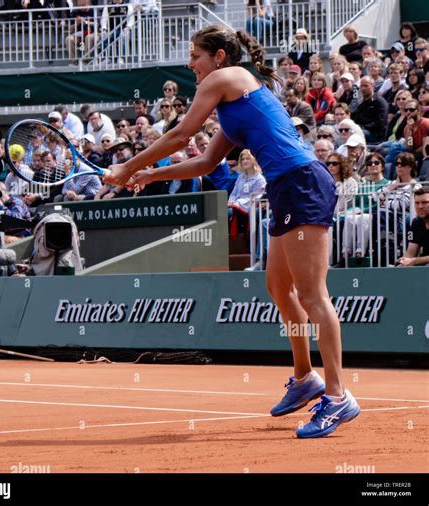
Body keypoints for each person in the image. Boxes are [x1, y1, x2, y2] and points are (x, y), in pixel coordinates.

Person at [105, 24, 361, 438]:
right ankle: (305, 378)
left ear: (219, 57)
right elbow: (206, 163)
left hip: (302, 181)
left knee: (313, 294)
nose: (190, 64)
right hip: (283, 187)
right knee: (280, 288)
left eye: (195, 56)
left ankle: (337, 396)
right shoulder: (234, 103)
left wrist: (128, 166)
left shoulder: (228, 78)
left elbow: (181, 134)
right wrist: (149, 176)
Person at [396, 185, 429, 266]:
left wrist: (413, 261)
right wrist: (403, 262)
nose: (420, 206)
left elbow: (412, 260)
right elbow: (410, 253)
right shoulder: (416, 222)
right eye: (417, 203)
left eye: (425, 202)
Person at [352, 76, 388, 143]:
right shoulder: (361, 102)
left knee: (357, 134)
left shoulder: (380, 102)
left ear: (373, 86)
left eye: (366, 86)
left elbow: (380, 123)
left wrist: (362, 127)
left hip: (375, 135)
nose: (363, 88)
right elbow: (356, 119)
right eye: (361, 86)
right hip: (362, 130)